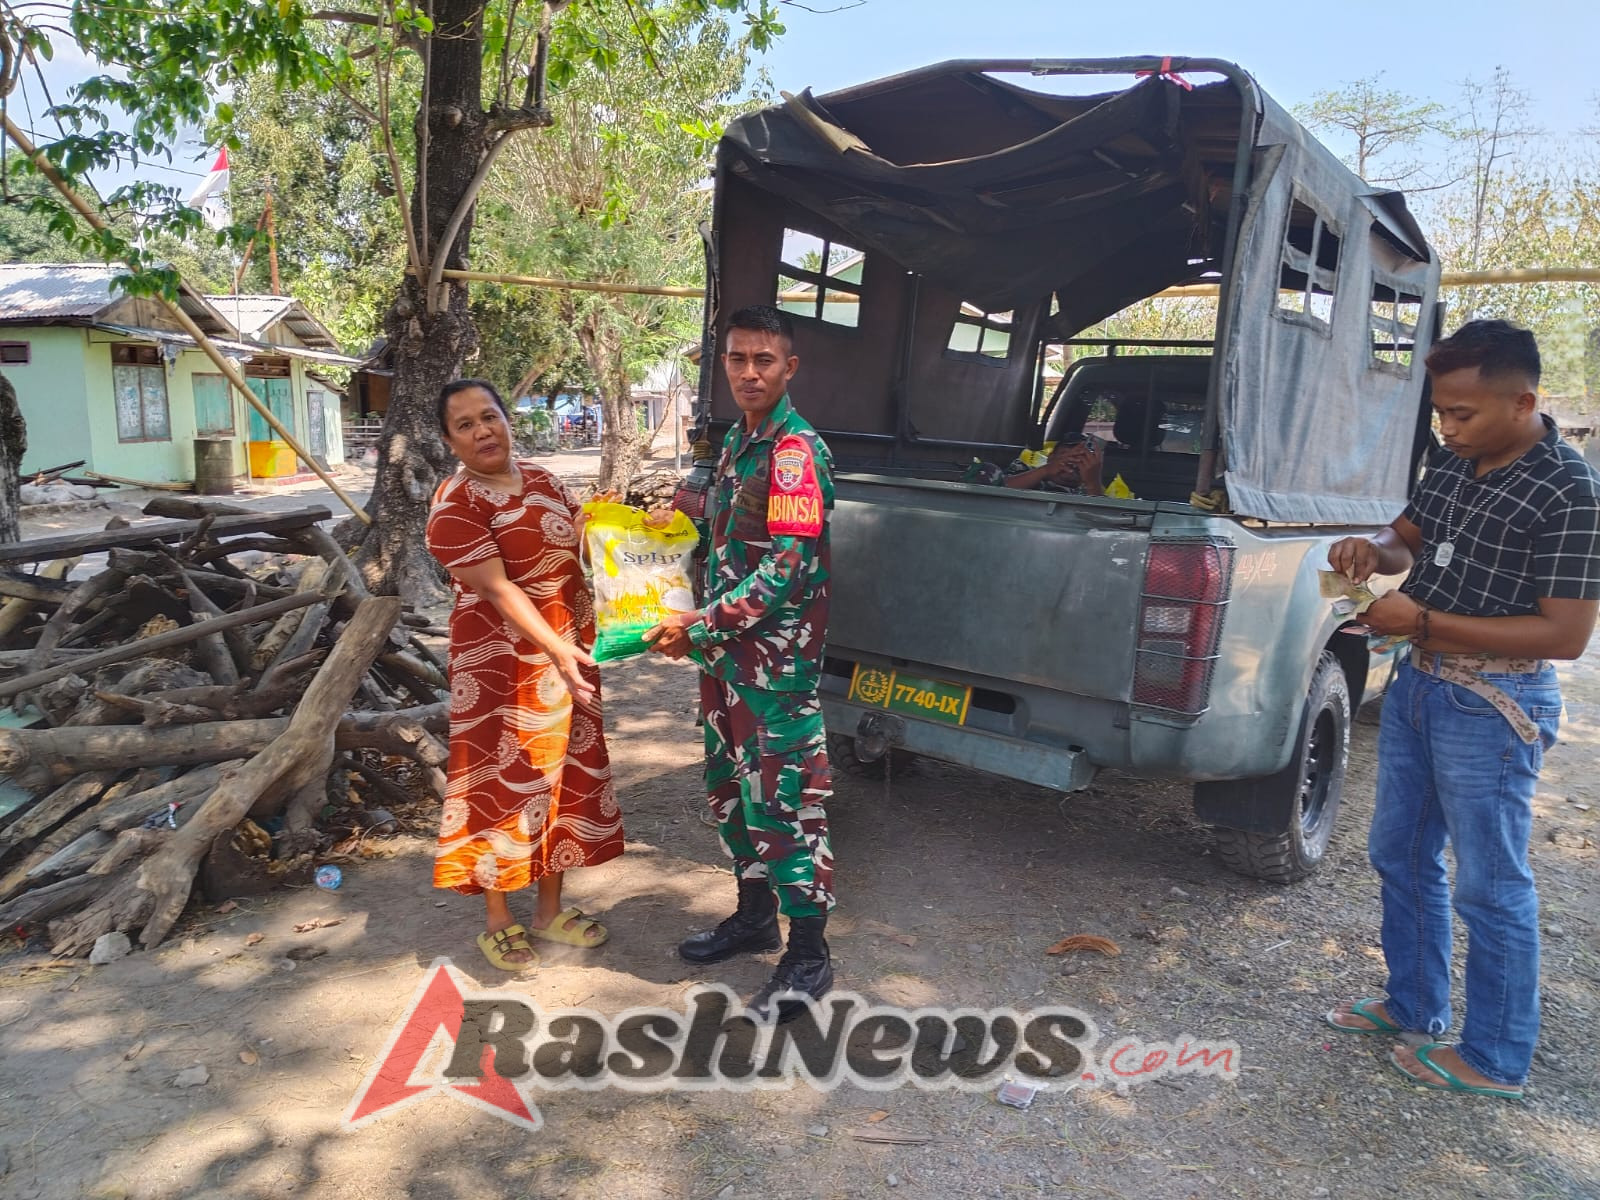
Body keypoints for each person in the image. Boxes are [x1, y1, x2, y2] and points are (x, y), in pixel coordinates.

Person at [1324, 320, 1600, 1099]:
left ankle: (1496, 1058)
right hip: (1421, 686)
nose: (1447, 429)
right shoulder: (1454, 461)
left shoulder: (1568, 490)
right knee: (1399, 854)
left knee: (1490, 885)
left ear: (1524, 401)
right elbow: (1407, 538)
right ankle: (1413, 1006)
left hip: (1495, 701)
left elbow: (1567, 634)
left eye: (1463, 414)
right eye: (1441, 413)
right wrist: (1370, 550)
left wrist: (1421, 621)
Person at [643, 304, 836, 1023]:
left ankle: (810, 954)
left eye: (764, 360)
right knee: (731, 792)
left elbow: (787, 569)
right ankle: (753, 916)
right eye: (737, 359)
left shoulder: (792, 451)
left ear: (789, 367)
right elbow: (725, 536)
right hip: (726, 661)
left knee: (785, 804)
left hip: (773, 669)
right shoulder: (738, 442)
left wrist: (700, 622)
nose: (749, 372)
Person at [426, 378, 625, 972]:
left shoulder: (543, 480)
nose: (482, 431)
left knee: (560, 780)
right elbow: (498, 588)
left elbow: (581, 548)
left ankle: (550, 911)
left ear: (507, 421)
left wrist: (625, 527)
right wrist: (556, 651)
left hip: (568, 661)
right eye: (465, 425)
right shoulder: (455, 506)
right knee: (500, 784)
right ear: (449, 440)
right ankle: (498, 919)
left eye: (489, 417)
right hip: (500, 673)